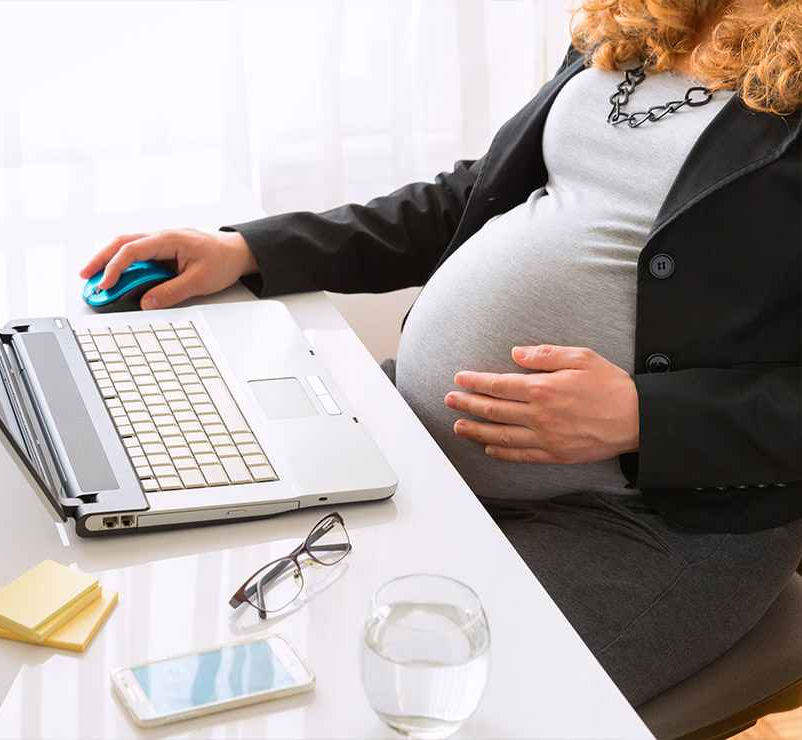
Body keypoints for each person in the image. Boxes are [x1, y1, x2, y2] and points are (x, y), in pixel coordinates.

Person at [80, 0, 802, 705]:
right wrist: (250, 249)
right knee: (206, 586)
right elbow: (474, 194)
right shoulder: (645, 17)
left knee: (393, 698)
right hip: (424, 448)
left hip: (651, 524)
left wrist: (647, 418)